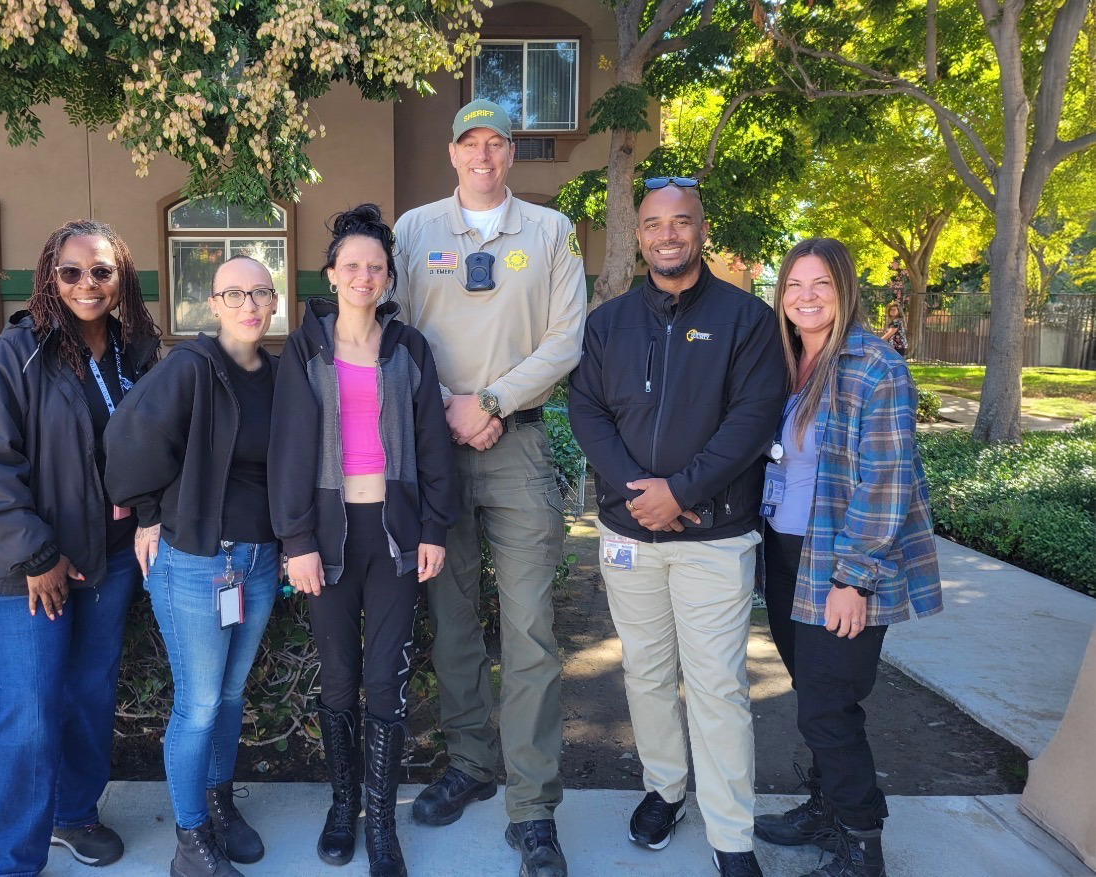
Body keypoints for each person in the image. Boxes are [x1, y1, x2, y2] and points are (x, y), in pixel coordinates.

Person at [567, 177, 787, 877]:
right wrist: (641, 495)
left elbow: (752, 420)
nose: (668, 234)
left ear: (701, 230)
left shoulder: (747, 320)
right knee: (648, 674)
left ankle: (732, 836)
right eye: (655, 223)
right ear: (639, 236)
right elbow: (587, 412)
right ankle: (665, 789)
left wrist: (682, 491)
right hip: (630, 536)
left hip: (713, 539)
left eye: (681, 222)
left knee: (718, 686)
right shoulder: (607, 323)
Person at [392, 99, 587, 877]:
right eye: (470, 143)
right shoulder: (412, 231)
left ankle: (534, 805)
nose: (483, 155)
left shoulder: (549, 232)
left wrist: (493, 401)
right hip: (433, 445)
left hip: (518, 444)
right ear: (452, 152)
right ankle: (471, 761)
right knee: (451, 619)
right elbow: (393, 326)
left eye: (496, 143)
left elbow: (566, 339)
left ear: (512, 153)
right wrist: (443, 407)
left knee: (533, 629)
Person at [0, 219, 161, 877]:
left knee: (90, 695)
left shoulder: (137, 350)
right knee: (30, 713)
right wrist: (38, 555)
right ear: (50, 277)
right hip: (24, 568)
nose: (87, 284)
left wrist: (154, 515)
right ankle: (14, 859)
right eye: (70, 271)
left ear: (121, 275)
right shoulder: (19, 352)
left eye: (101, 270)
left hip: (108, 558)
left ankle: (73, 812)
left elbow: (159, 443)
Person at [269, 204, 455, 877]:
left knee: (387, 679)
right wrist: (296, 539)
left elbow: (433, 443)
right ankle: (342, 805)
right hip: (327, 533)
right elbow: (288, 447)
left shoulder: (409, 348)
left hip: (396, 534)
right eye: (352, 265)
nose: (364, 275)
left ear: (388, 277)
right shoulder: (305, 345)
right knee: (341, 676)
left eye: (375, 266)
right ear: (331, 274)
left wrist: (434, 527)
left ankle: (381, 822)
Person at [752, 239, 942, 877]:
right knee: (813, 692)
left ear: (845, 291)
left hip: (840, 562)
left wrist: (852, 579)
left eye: (820, 285)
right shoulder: (783, 364)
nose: (805, 298)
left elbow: (885, 481)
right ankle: (828, 802)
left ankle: (862, 845)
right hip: (784, 556)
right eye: (794, 285)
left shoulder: (872, 366)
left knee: (828, 706)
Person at [104, 255, 282, 877]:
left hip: (258, 560)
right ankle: (190, 839)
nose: (249, 305)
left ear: (275, 299)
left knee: (231, 694)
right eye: (234, 294)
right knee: (200, 701)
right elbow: (128, 438)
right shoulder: (190, 368)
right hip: (198, 560)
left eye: (260, 292)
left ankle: (218, 803)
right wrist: (149, 512)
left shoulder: (279, 375)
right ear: (213, 304)